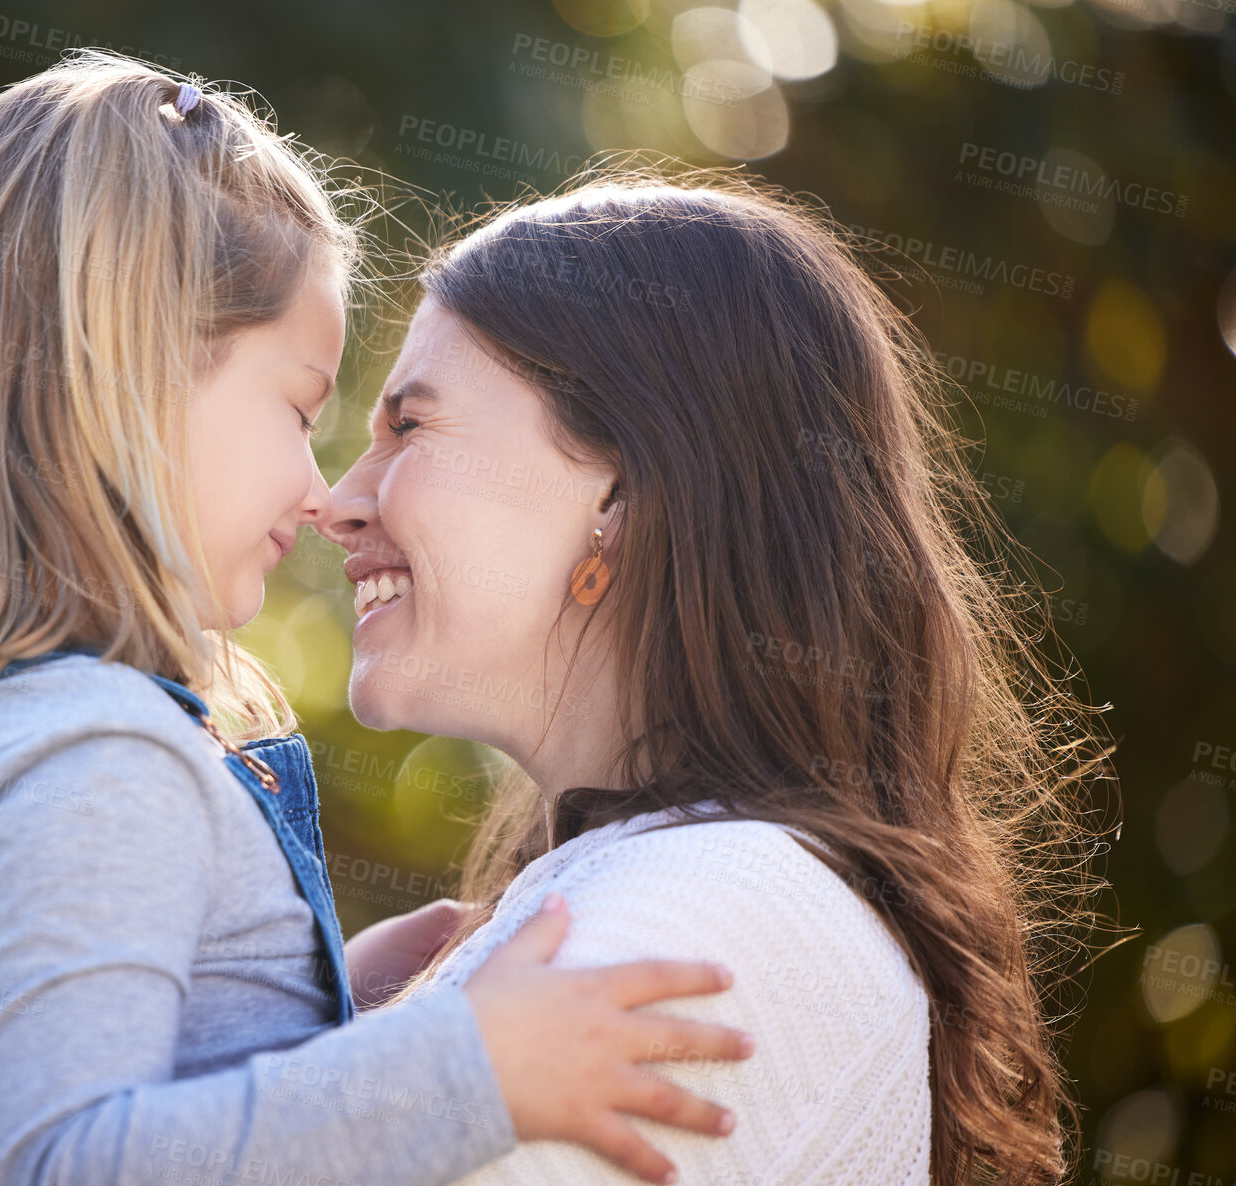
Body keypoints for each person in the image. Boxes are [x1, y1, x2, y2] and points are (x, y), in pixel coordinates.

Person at [0, 56, 752, 1186]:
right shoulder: (98, 753)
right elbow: (67, 1161)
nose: (322, 492)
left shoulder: (17, 733)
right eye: (299, 409)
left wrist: (331, 994)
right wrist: (460, 1066)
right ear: (123, 376)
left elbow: (124, 1092)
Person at [321, 173, 1114, 1186]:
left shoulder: (708, 914)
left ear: (621, 491)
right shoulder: (666, 886)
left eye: (411, 427)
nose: (337, 499)